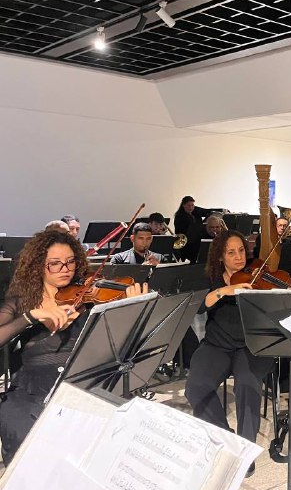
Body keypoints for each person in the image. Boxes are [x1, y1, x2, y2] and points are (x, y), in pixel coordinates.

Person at [0, 230, 146, 464]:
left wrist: (133, 308)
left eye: (70, 262)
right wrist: (32, 316)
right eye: (55, 263)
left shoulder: (90, 298)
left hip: (82, 386)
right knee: (24, 443)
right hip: (33, 390)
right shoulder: (21, 302)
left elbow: (119, 345)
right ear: (38, 266)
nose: (65, 269)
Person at [184, 229, 274, 477]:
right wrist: (224, 290)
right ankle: (228, 440)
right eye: (231, 253)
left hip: (251, 346)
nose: (238, 257)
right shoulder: (211, 279)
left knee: (247, 384)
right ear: (220, 257)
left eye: (241, 251)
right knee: (195, 388)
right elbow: (199, 307)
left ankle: (245, 451)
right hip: (217, 345)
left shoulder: (257, 276)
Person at [173, 195, 212, 263]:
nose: (191, 207)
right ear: (183, 205)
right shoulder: (180, 216)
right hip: (186, 243)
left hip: (194, 241)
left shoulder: (195, 213)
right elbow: (184, 231)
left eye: (192, 205)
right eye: (188, 205)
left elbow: (206, 212)